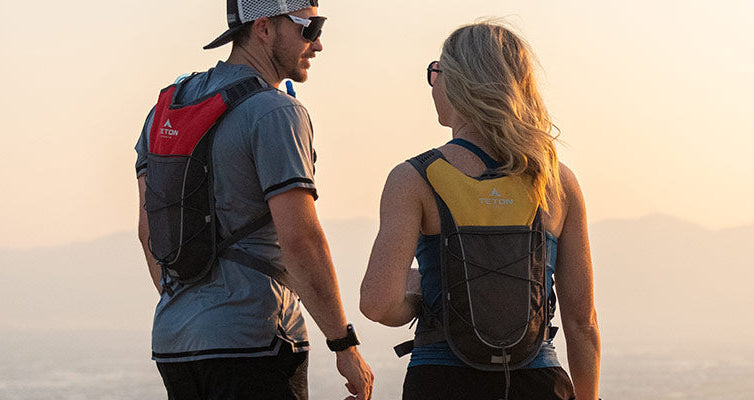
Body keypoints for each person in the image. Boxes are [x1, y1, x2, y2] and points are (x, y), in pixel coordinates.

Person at [133, 1, 373, 399]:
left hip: (175, 341)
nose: (318, 45)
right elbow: (301, 241)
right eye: (309, 29)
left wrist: (198, 309)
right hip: (256, 337)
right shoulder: (274, 111)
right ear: (263, 28)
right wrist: (343, 344)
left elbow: (148, 232)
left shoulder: (167, 107)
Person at [359, 21, 601, 400]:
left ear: (457, 82)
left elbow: (377, 304)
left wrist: (422, 288)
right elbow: (581, 322)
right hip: (538, 382)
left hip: (440, 381)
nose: (433, 83)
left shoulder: (415, 178)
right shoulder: (556, 180)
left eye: (435, 72)